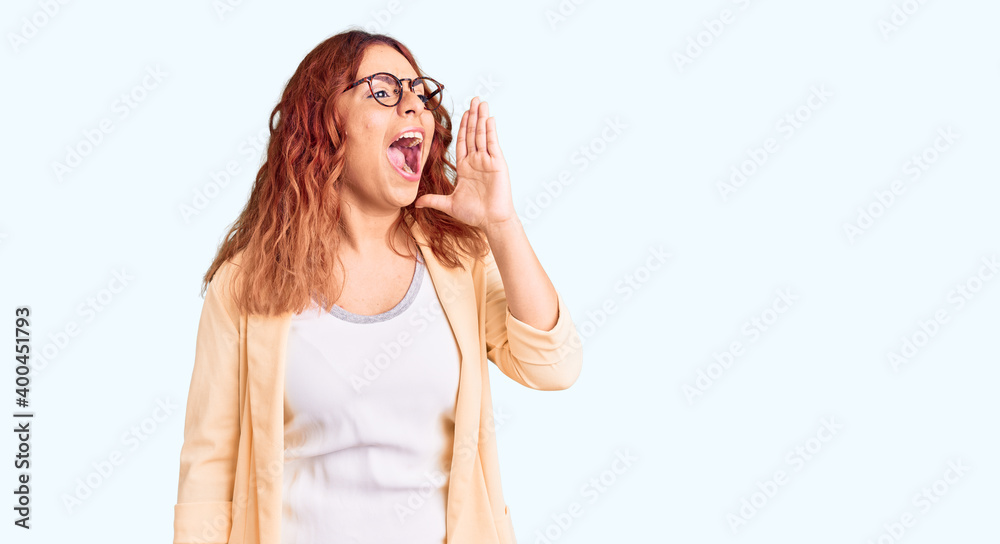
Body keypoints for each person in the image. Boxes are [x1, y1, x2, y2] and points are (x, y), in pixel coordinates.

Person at [172, 29, 583, 544]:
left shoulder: (458, 261)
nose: (414, 105)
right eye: (384, 90)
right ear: (324, 123)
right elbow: (208, 470)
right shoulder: (246, 283)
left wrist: (500, 225)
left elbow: (554, 366)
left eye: (419, 93)